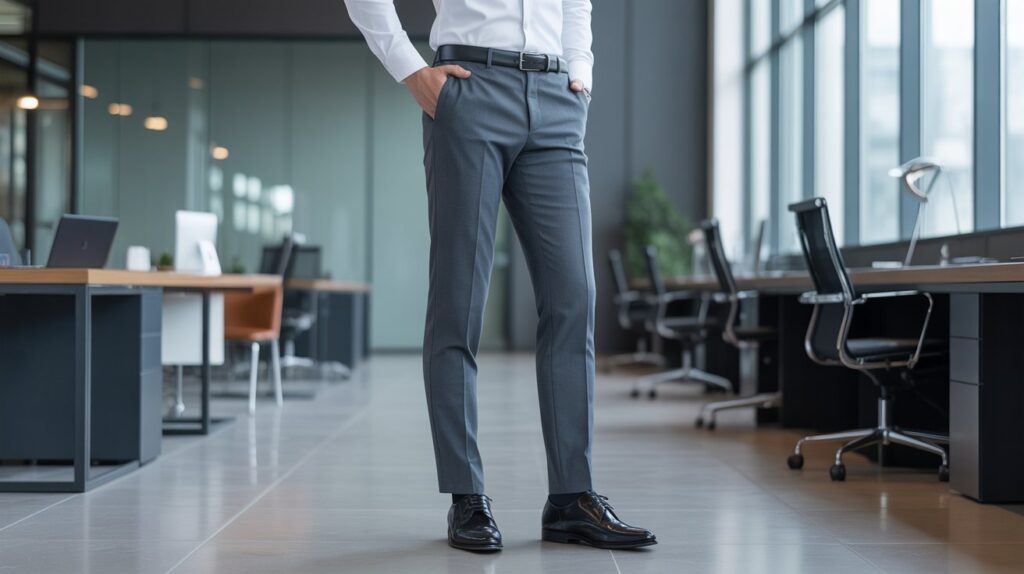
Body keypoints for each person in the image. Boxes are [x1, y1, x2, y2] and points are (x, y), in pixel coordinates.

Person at [343, 0, 656, 552]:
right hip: (469, 88)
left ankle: (571, 498)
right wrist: (410, 69)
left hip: (557, 99)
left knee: (574, 296)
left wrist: (579, 73)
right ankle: (466, 495)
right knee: (460, 299)